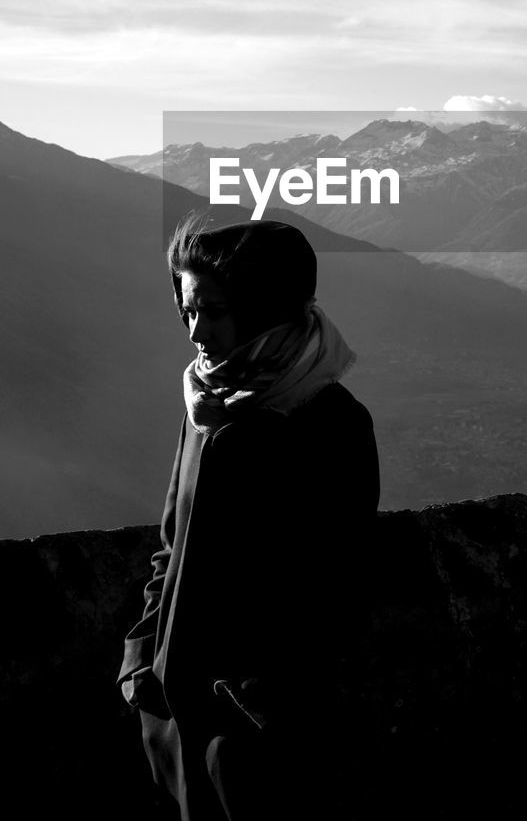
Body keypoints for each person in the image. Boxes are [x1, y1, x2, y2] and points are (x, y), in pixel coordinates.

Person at [117, 215, 380, 821]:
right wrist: (140, 661)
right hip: (171, 712)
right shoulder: (206, 407)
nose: (195, 331)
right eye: (187, 310)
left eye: (213, 311)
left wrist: (255, 703)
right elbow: (171, 547)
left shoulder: (328, 423)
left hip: (249, 736)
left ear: (264, 308)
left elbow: (337, 581)